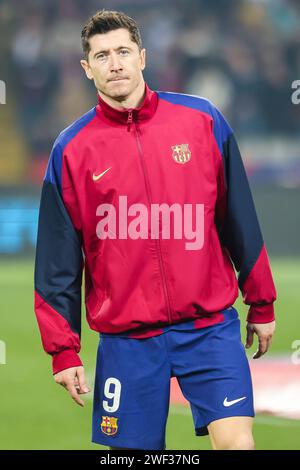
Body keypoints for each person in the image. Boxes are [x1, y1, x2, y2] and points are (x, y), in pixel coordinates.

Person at [34, 9, 277, 451]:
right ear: (88, 68)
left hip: (209, 328)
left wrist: (261, 303)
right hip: (127, 341)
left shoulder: (202, 120)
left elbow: (239, 217)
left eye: (124, 51)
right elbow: (57, 258)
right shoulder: (70, 149)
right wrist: (63, 350)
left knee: (238, 444)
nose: (116, 63)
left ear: (143, 57)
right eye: (102, 55)